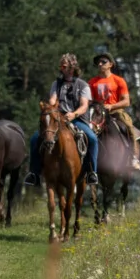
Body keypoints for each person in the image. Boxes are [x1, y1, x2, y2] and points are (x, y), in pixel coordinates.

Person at [25, 53, 99, 186]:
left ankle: (91, 172)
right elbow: (53, 99)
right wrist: (50, 106)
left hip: (77, 119)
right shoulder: (56, 84)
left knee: (92, 139)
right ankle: (34, 173)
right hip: (58, 119)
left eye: (63, 66)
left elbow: (84, 106)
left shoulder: (83, 85)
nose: (61, 68)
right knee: (35, 139)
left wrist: (74, 114)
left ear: (72, 67)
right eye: (61, 66)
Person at [88, 53, 140, 171]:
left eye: (103, 62)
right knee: (86, 129)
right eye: (98, 63)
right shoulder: (92, 82)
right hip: (98, 113)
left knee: (128, 126)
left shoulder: (119, 80)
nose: (100, 64)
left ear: (110, 65)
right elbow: (89, 101)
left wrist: (112, 106)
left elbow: (126, 101)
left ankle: (134, 158)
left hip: (115, 112)